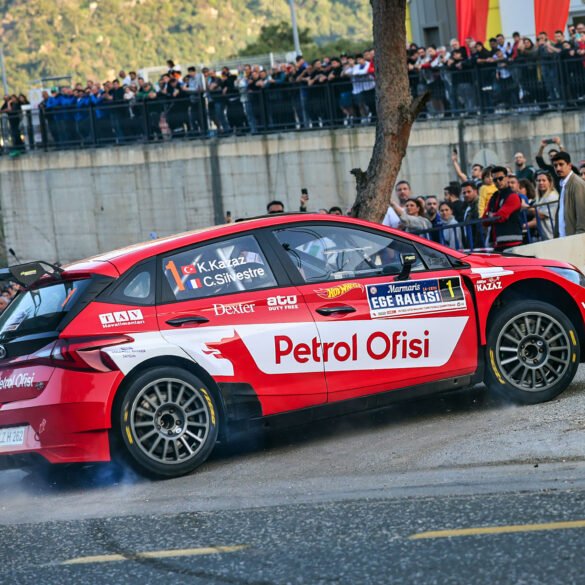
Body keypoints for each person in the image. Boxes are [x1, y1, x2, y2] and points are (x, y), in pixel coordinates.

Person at [483, 166, 523, 252]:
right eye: (495, 180)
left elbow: (500, 217)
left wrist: (491, 215)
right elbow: (484, 220)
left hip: (513, 244)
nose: (498, 181)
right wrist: (492, 215)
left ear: (507, 178)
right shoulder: (494, 197)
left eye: (500, 178)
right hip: (497, 244)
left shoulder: (513, 196)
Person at [552, 152, 585, 237]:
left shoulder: (577, 184)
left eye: (561, 164)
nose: (558, 168)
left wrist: (579, 236)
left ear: (569, 165)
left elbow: (582, 215)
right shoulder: (563, 183)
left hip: (575, 238)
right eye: (555, 165)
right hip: (564, 237)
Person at [533, 171, 559, 240]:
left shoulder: (552, 196)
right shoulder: (539, 198)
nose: (541, 183)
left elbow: (542, 215)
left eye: (544, 180)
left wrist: (528, 208)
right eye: (538, 180)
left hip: (552, 235)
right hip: (545, 236)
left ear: (549, 182)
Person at [461, 181, 483, 249]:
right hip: (471, 245)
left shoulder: (479, 205)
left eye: (469, 192)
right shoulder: (467, 206)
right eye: (464, 193)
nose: (466, 195)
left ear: (475, 191)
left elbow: (480, 229)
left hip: (478, 245)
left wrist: (476, 246)